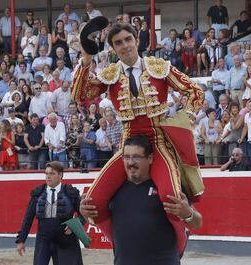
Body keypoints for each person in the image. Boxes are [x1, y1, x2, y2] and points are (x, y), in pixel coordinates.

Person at [72, 22, 204, 254]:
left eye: (127, 40)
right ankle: (122, 245)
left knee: (172, 197)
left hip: (158, 143)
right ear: (112, 48)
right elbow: (80, 94)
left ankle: (179, 242)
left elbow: (195, 91)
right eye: (118, 43)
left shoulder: (159, 67)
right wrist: (86, 58)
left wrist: (185, 120)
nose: (124, 46)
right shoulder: (110, 75)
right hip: (128, 145)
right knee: (91, 203)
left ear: (137, 41)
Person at [80, 135, 202, 265]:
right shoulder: (113, 191)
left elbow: (197, 223)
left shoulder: (166, 188)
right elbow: (97, 221)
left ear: (150, 158)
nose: (130, 162)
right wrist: (85, 213)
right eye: (126, 157)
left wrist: (188, 214)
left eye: (136, 157)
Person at [16, 161, 84, 265]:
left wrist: (74, 226)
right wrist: (21, 240)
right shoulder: (38, 193)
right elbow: (28, 218)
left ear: (60, 175)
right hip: (44, 239)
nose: (48, 177)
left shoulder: (70, 193)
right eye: (46, 174)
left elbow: (84, 214)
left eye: (52, 174)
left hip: (65, 240)